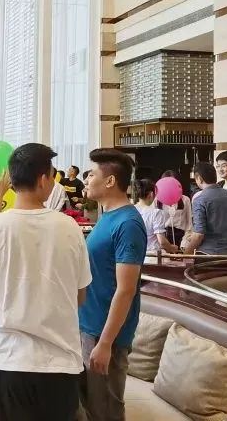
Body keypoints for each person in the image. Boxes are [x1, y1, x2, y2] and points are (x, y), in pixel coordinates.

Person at [0, 143, 91, 420]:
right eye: (52, 176)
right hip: (61, 365)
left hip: (11, 361)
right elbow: (80, 295)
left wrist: (9, 320)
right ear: (43, 179)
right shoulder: (70, 228)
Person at [77, 149, 146, 421]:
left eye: (91, 174)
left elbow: (126, 289)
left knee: (105, 410)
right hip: (89, 326)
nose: (86, 180)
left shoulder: (128, 224)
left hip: (106, 336)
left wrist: (105, 343)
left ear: (110, 181)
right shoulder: (107, 216)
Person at [183, 162, 227, 256]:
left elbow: (199, 235)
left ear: (199, 179)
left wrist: (185, 255)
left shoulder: (200, 199)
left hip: (208, 254)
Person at [132, 179, 176, 253]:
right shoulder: (156, 213)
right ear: (151, 194)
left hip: (135, 254)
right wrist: (172, 249)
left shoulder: (130, 211)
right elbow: (162, 242)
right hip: (153, 255)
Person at [156, 170, 191, 247]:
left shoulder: (185, 200)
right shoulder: (157, 200)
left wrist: (184, 243)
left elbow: (189, 224)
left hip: (181, 238)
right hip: (163, 237)